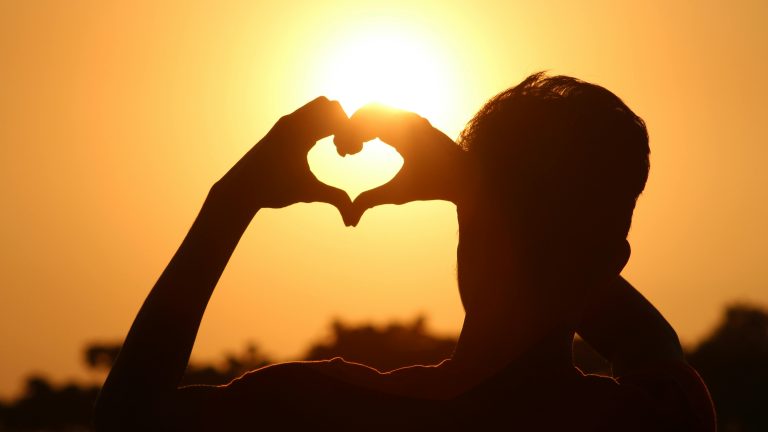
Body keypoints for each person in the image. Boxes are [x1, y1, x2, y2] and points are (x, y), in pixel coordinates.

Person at [94, 73, 716, 430]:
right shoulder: (655, 418)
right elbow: (650, 343)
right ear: (614, 258)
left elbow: (127, 420)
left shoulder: (320, 411)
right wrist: (475, 186)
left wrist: (229, 202)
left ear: (467, 227)